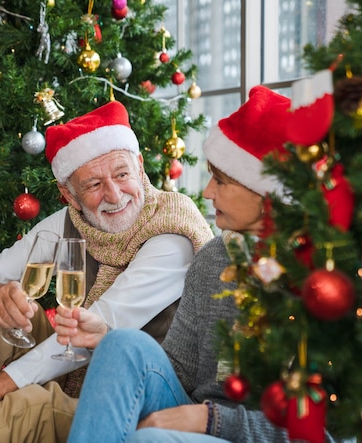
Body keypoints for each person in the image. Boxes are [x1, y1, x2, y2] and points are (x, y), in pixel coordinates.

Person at [0, 100, 214, 443]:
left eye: (122, 174)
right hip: (75, 366)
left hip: (139, 399)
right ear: (68, 194)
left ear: (140, 165)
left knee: (21, 407)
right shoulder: (70, 223)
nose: (115, 194)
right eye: (93, 184)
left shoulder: (173, 230)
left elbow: (96, 332)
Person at [55, 86, 336, 442]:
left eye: (222, 180)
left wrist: (210, 420)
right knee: (122, 344)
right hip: (202, 416)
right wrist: (104, 340)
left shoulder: (326, 282)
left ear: (267, 194)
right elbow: (175, 371)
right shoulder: (215, 258)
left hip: (257, 434)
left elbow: (329, 432)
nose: (206, 192)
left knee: (149, 440)